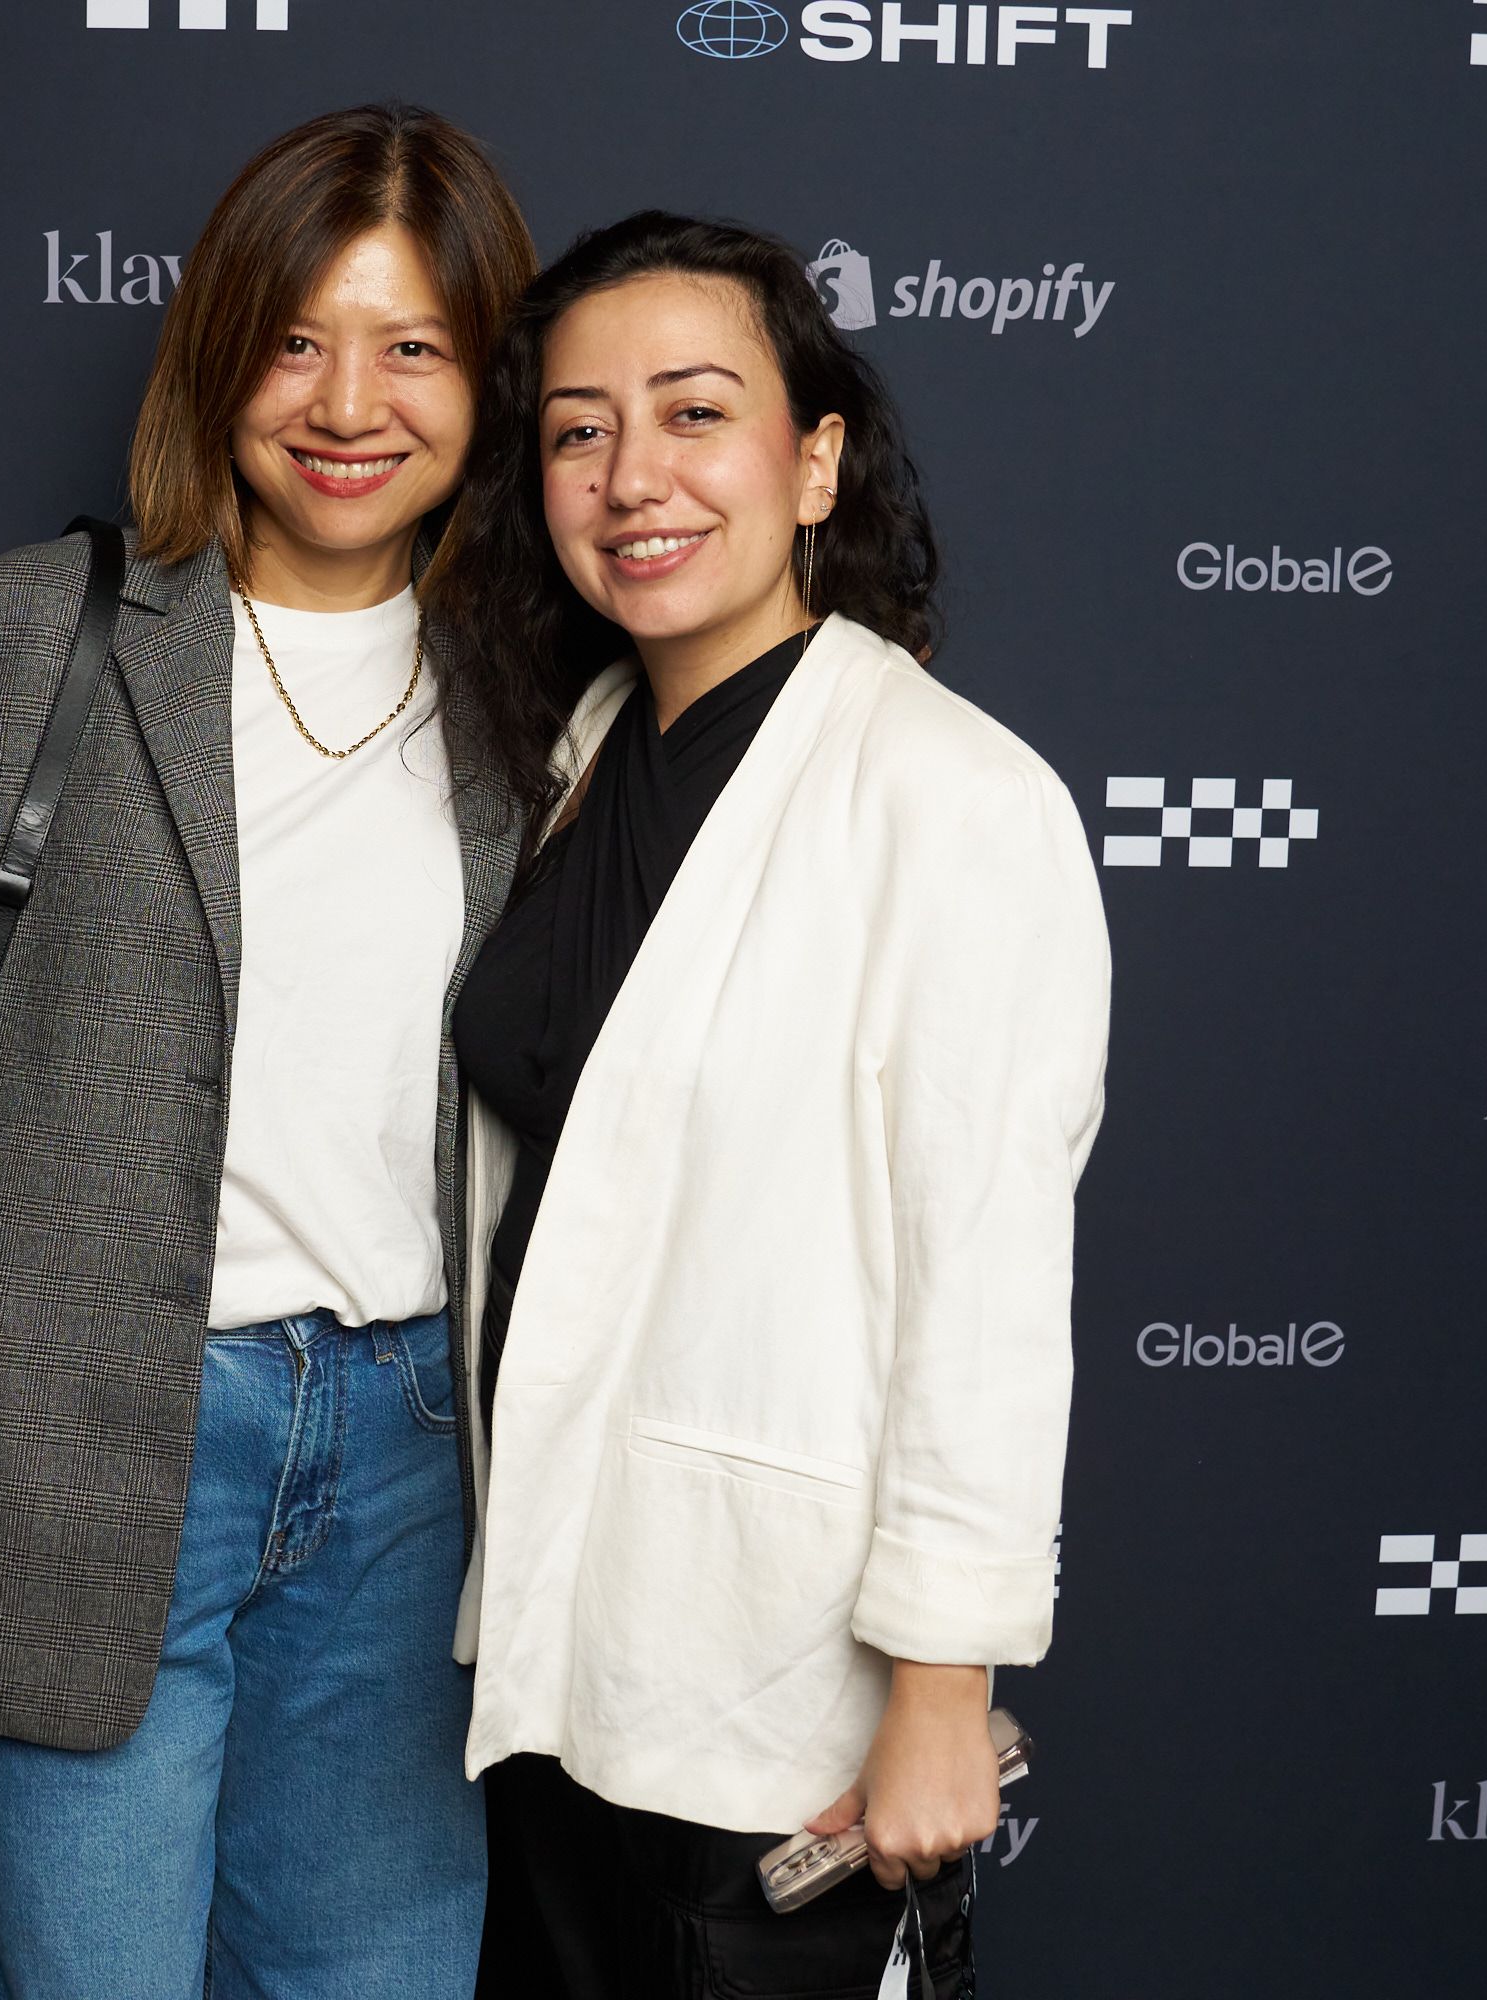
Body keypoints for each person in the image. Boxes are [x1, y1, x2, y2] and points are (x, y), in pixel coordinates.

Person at [0, 105, 535, 2000]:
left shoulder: (539, 688)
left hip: (418, 1460)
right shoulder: (21, 639)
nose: (350, 403)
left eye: (413, 346)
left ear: (491, 381)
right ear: (217, 354)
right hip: (80, 1438)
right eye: (296, 339)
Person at [429, 212, 1111, 1998]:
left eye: (695, 413)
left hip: (777, 1697)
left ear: (815, 463)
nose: (631, 478)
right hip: (554, 1668)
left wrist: (945, 1691)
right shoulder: (579, 753)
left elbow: (987, 1290)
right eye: (579, 430)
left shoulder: (951, 798)